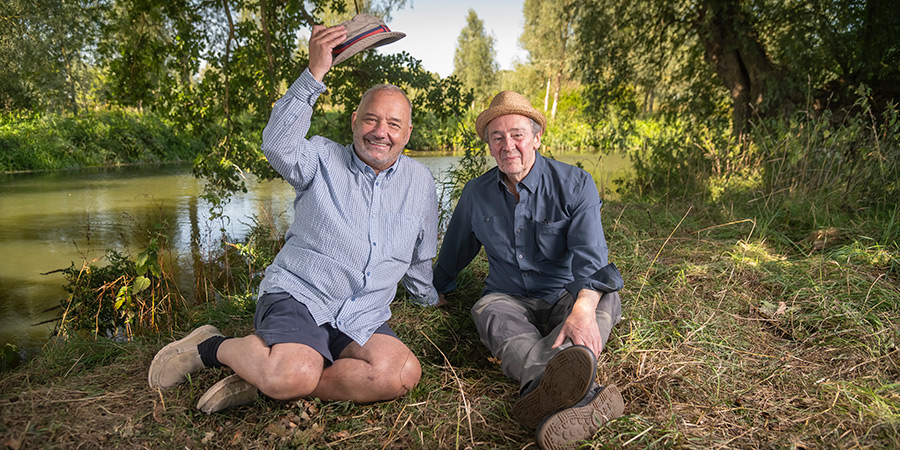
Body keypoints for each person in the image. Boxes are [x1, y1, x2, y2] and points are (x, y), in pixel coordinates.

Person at [147, 22, 439, 413]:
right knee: (294, 373)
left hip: (360, 314)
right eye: (371, 119)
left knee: (400, 373)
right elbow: (277, 144)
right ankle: (211, 348)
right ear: (354, 120)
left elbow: (420, 253)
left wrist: (427, 299)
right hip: (301, 296)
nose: (380, 132)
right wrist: (315, 72)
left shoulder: (420, 183)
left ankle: (264, 379)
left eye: (393, 124)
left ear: (408, 133)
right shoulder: (320, 158)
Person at [433, 91, 625, 449]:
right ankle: (578, 393)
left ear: (536, 138)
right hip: (508, 298)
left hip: (565, 294)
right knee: (487, 311)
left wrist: (581, 311)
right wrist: (437, 287)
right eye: (498, 137)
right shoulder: (475, 194)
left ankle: (544, 391)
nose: (509, 145)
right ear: (489, 147)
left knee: (604, 299)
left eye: (517, 134)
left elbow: (591, 257)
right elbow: (455, 249)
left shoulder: (575, 184)